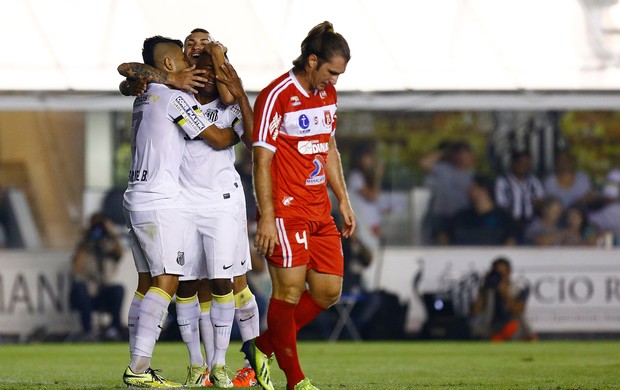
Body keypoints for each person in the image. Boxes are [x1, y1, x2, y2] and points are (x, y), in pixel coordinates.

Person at [118, 28, 261, 387]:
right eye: (185, 60)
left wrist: (235, 96)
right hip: (166, 200)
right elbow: (218, 138)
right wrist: (171, 79)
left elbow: (131, 79)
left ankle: (226, 364)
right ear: (170, 64)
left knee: (158, 283)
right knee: (173, 283)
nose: (192, 69)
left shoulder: (150, 94)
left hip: (164, 198)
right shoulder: (173, 96)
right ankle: (145, 369)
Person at [243, 21, 355, 390]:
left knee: (327, 292)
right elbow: (260, 160)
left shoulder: (328, 96)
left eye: (339, 75)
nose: (334, 81)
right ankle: (295, 379)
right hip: (287, 210)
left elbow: (329, 148)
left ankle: (262, 346)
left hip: (320, 210)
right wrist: (267, 217)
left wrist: (343, 198)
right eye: (331, 72)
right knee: (288, 292)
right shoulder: (277, 94)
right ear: (312, 61)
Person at [176, 50, 257, 388]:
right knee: (194, 286)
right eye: (198, 67)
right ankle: (207, 368)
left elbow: (252, 142)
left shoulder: (230, 108)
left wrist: (238, 92)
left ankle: (251, 366)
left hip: (225, 201)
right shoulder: (175, 102)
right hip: (183, 204)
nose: (205, 74)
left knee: (235, 284)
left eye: (211, 68)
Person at [69, 212, 125, 341]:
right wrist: (85, 237)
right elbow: (76, 266)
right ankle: (88, 330)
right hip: (87, 292)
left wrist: (112, 233)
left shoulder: (109, 248)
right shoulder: (85, 247)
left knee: (118, 289)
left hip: (104, 291)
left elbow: (119, 252)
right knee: (80, 288)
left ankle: (114, 328)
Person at [436, 175, 518, 246]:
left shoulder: (503, 217)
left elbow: (512, 239)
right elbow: (443, 235)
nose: (468, 191)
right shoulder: (462, 216)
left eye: (472, 188)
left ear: (483, 191)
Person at [420, 140, 476, 244]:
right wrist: (445, 152)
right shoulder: (444, 170)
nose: (461, 157)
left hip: (462, 218)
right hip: (441, 217)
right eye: (459, 154)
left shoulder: (474, 176)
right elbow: (424, 163)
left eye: (465, 154)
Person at [469, 257, 535, 341]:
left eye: (502, 273)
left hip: (511, 323)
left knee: (517, 323)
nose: (499, 277)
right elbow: (475, 311)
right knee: (475, 325)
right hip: (491, 324)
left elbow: (518, 310)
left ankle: (521, 336)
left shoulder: (518, 288)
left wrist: (504, 293)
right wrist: (485, 288)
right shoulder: (488, 289)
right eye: (497, 273)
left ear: (508, 272)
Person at [495, 151, 546, 243]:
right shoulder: (502, 181)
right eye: (522, 163)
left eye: (528, 164)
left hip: (531, 222)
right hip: (508, 222)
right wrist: (516, 222)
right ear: (513, 164)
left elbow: (540, 202)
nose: (525, 167)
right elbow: (502, 206)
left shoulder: (534, 181)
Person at [347, 142, 383, 256]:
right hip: (364, 224)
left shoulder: (364, 176)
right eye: (368, 157)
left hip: (371, 223)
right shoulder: (356, 176)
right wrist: (378, 176)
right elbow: (372, 196)